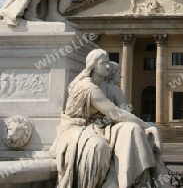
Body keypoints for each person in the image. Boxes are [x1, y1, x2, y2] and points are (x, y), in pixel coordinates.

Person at [51, 49, 171, 188]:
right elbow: (117, 113)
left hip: (99, 126)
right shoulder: (89, 88)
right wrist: (147, 125)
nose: (109, 66)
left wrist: (143, 126)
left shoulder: (102, 86)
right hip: (77, 129)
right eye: (104, 63)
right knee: (99, 146)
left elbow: (117, 113)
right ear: (93, 66)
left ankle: (133, 181)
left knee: (132, 129)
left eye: (109, 62)